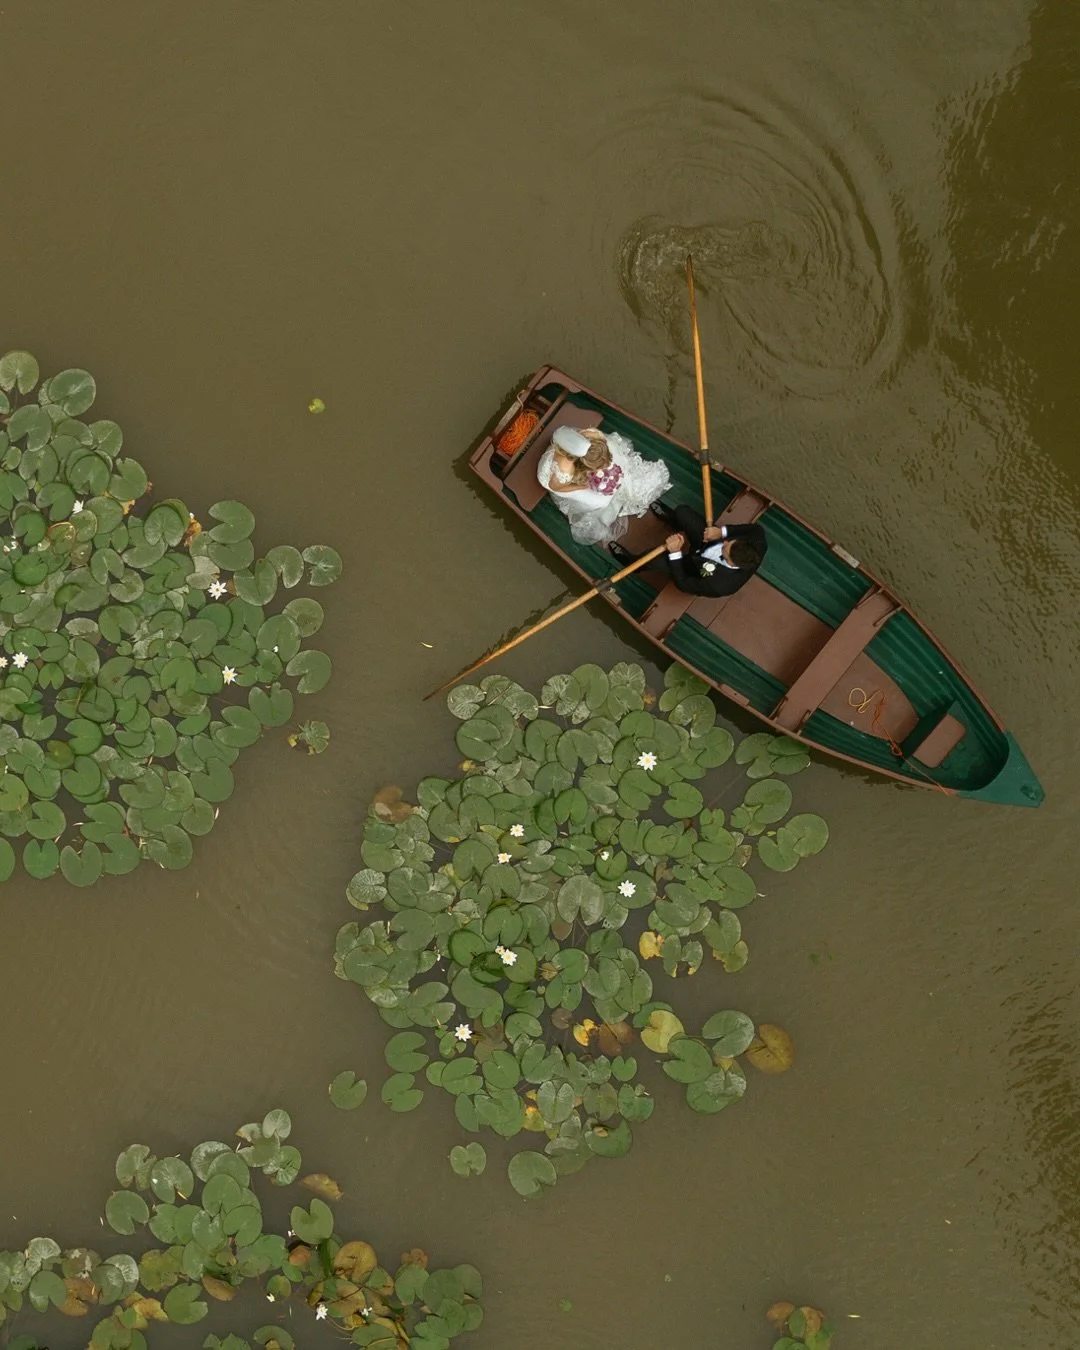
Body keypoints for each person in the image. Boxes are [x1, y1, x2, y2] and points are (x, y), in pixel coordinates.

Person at [537, 425, 671, 546]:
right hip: (556, 480)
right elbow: (555, 487)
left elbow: (601, 440)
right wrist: (581, 487)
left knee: (614, 457)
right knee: (598, 502)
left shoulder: (591, 438)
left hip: (574, 455)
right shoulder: (565, 468)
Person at [609, 501, 767, 596]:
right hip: (707, 542)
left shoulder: (719, 585)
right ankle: (673, 521)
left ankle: (631, 563)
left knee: (655, 559)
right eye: (729, 542)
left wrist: (676, 553)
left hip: (692, 568)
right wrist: (721, 532)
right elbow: (749, 530)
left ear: (732, 564)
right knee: (683, 512)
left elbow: (683, 584)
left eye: (725, 551)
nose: (724, 543)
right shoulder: (758, 539)